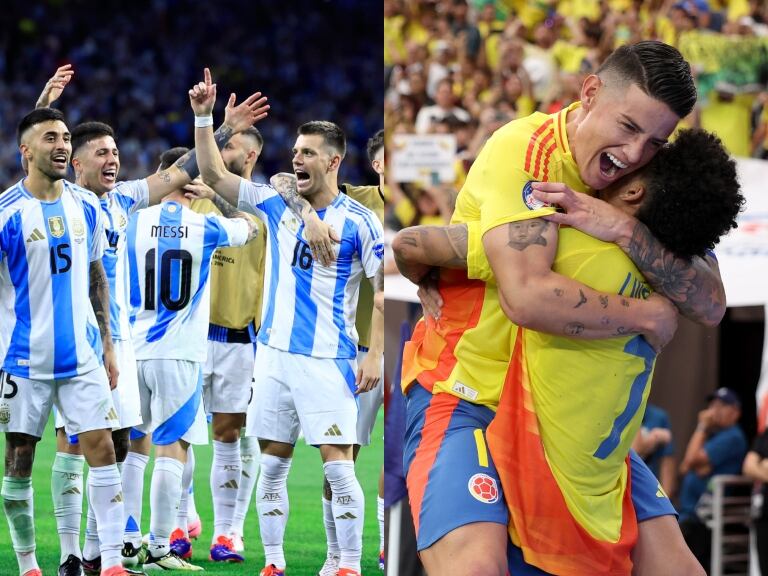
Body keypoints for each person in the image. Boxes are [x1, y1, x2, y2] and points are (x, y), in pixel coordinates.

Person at [394, 40, 727, 576]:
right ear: (590, 92)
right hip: (470, 392)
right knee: (476, 567)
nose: (634, 153)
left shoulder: (643, 187)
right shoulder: (525, 151)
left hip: (572, 429)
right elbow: (524, 296)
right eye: (627, 126)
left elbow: (711, 303)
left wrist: (623, 229)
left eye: (654, 141)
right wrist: (645, 315)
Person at [187, 69, 384, 576]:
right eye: (295, 151)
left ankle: (346, 564)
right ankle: (273, 563)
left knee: (339, 470)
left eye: (308, 153)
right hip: (273, 357)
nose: (296, 159)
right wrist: (206, 119)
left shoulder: (360, 222)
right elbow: (213, 174)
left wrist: (375, 355)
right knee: (272, 466)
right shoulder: (279, 205)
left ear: (333, 161)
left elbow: (384, 290)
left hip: (328, 357)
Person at [0, 107, 126, 576]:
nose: (62, 145)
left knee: (104, 449)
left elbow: (96, 276)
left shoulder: (87, 206)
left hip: (83, 356)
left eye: (67, 137)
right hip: (23, 359)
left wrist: (108, 345)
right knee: (19, 460)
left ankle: (111, 562)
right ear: (26, 150)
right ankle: (28, 564)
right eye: (50, 137)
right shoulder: (7, 212)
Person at [126, 139, 262, 571]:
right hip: (181, 353)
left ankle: (125, 544)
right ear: (190, 182)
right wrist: (215, 195)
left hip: (133, 349)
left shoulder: (130, 220)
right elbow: (251, 226)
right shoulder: (205, 226)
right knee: (172, 449)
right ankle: (160, 548)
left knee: (133, 449)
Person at [318, 129, 386, 575]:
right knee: (342, 455)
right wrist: (308, 216)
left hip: (412, 347)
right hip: (360, 350)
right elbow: (292, 184)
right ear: (377, 164)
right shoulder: (354, 201)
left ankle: (386, 547)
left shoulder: (428, 208)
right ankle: (335, 555)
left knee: (401, 456)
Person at [678, 387, 748, 568]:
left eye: (722, 405)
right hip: (691, 513)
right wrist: (696, 463)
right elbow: (685, 466)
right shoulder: (714, 435)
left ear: (735, 412)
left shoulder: (732, 436)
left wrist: (701, 426)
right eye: (712, 405)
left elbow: (691, 460)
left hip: (703, 516)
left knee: (694, 566)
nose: (714, 410)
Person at [742, 419, 768, 576]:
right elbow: (748, 466)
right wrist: (763, 466)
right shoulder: (766, 434)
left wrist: (764, 464)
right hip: (764, 516)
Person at [633, 403, 676, 497]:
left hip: (646, 487)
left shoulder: (658, 417)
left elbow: (667, 461)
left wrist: (666, 498)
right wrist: (654, 438)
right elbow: (635, 449)